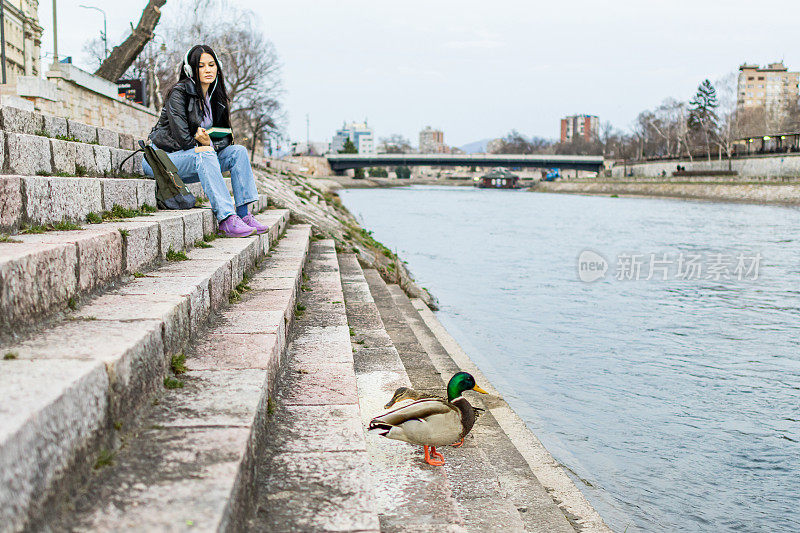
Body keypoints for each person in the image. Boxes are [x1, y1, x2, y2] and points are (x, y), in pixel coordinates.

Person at [143, 44, 268, 237]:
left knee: (239, 152)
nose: (208, 70)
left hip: (196, 156)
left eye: (211, 64)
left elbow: (226, 139)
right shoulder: (179, 93)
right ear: (190, 69)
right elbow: (184, 140)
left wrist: (208, 142)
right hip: (162, 161)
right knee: (206, 152)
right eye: (201, 66)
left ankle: (243, 214)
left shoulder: (217, 98)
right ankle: (226, 218)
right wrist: (205, 145)